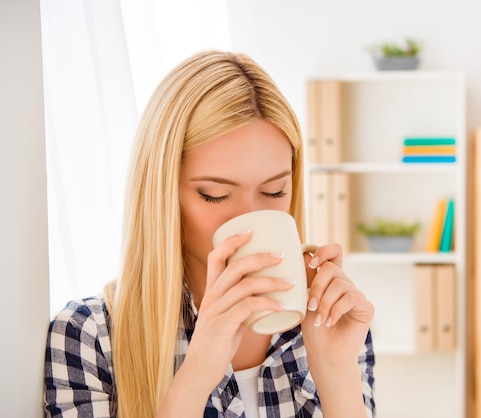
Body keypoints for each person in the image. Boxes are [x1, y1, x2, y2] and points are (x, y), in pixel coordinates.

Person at [44, 50, 376, 418]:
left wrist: (335, 372)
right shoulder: (88, 337)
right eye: (214, 195)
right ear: (162, 194)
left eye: (275, 191)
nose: (250, 220)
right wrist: (198, 373)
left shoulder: (330, 321)